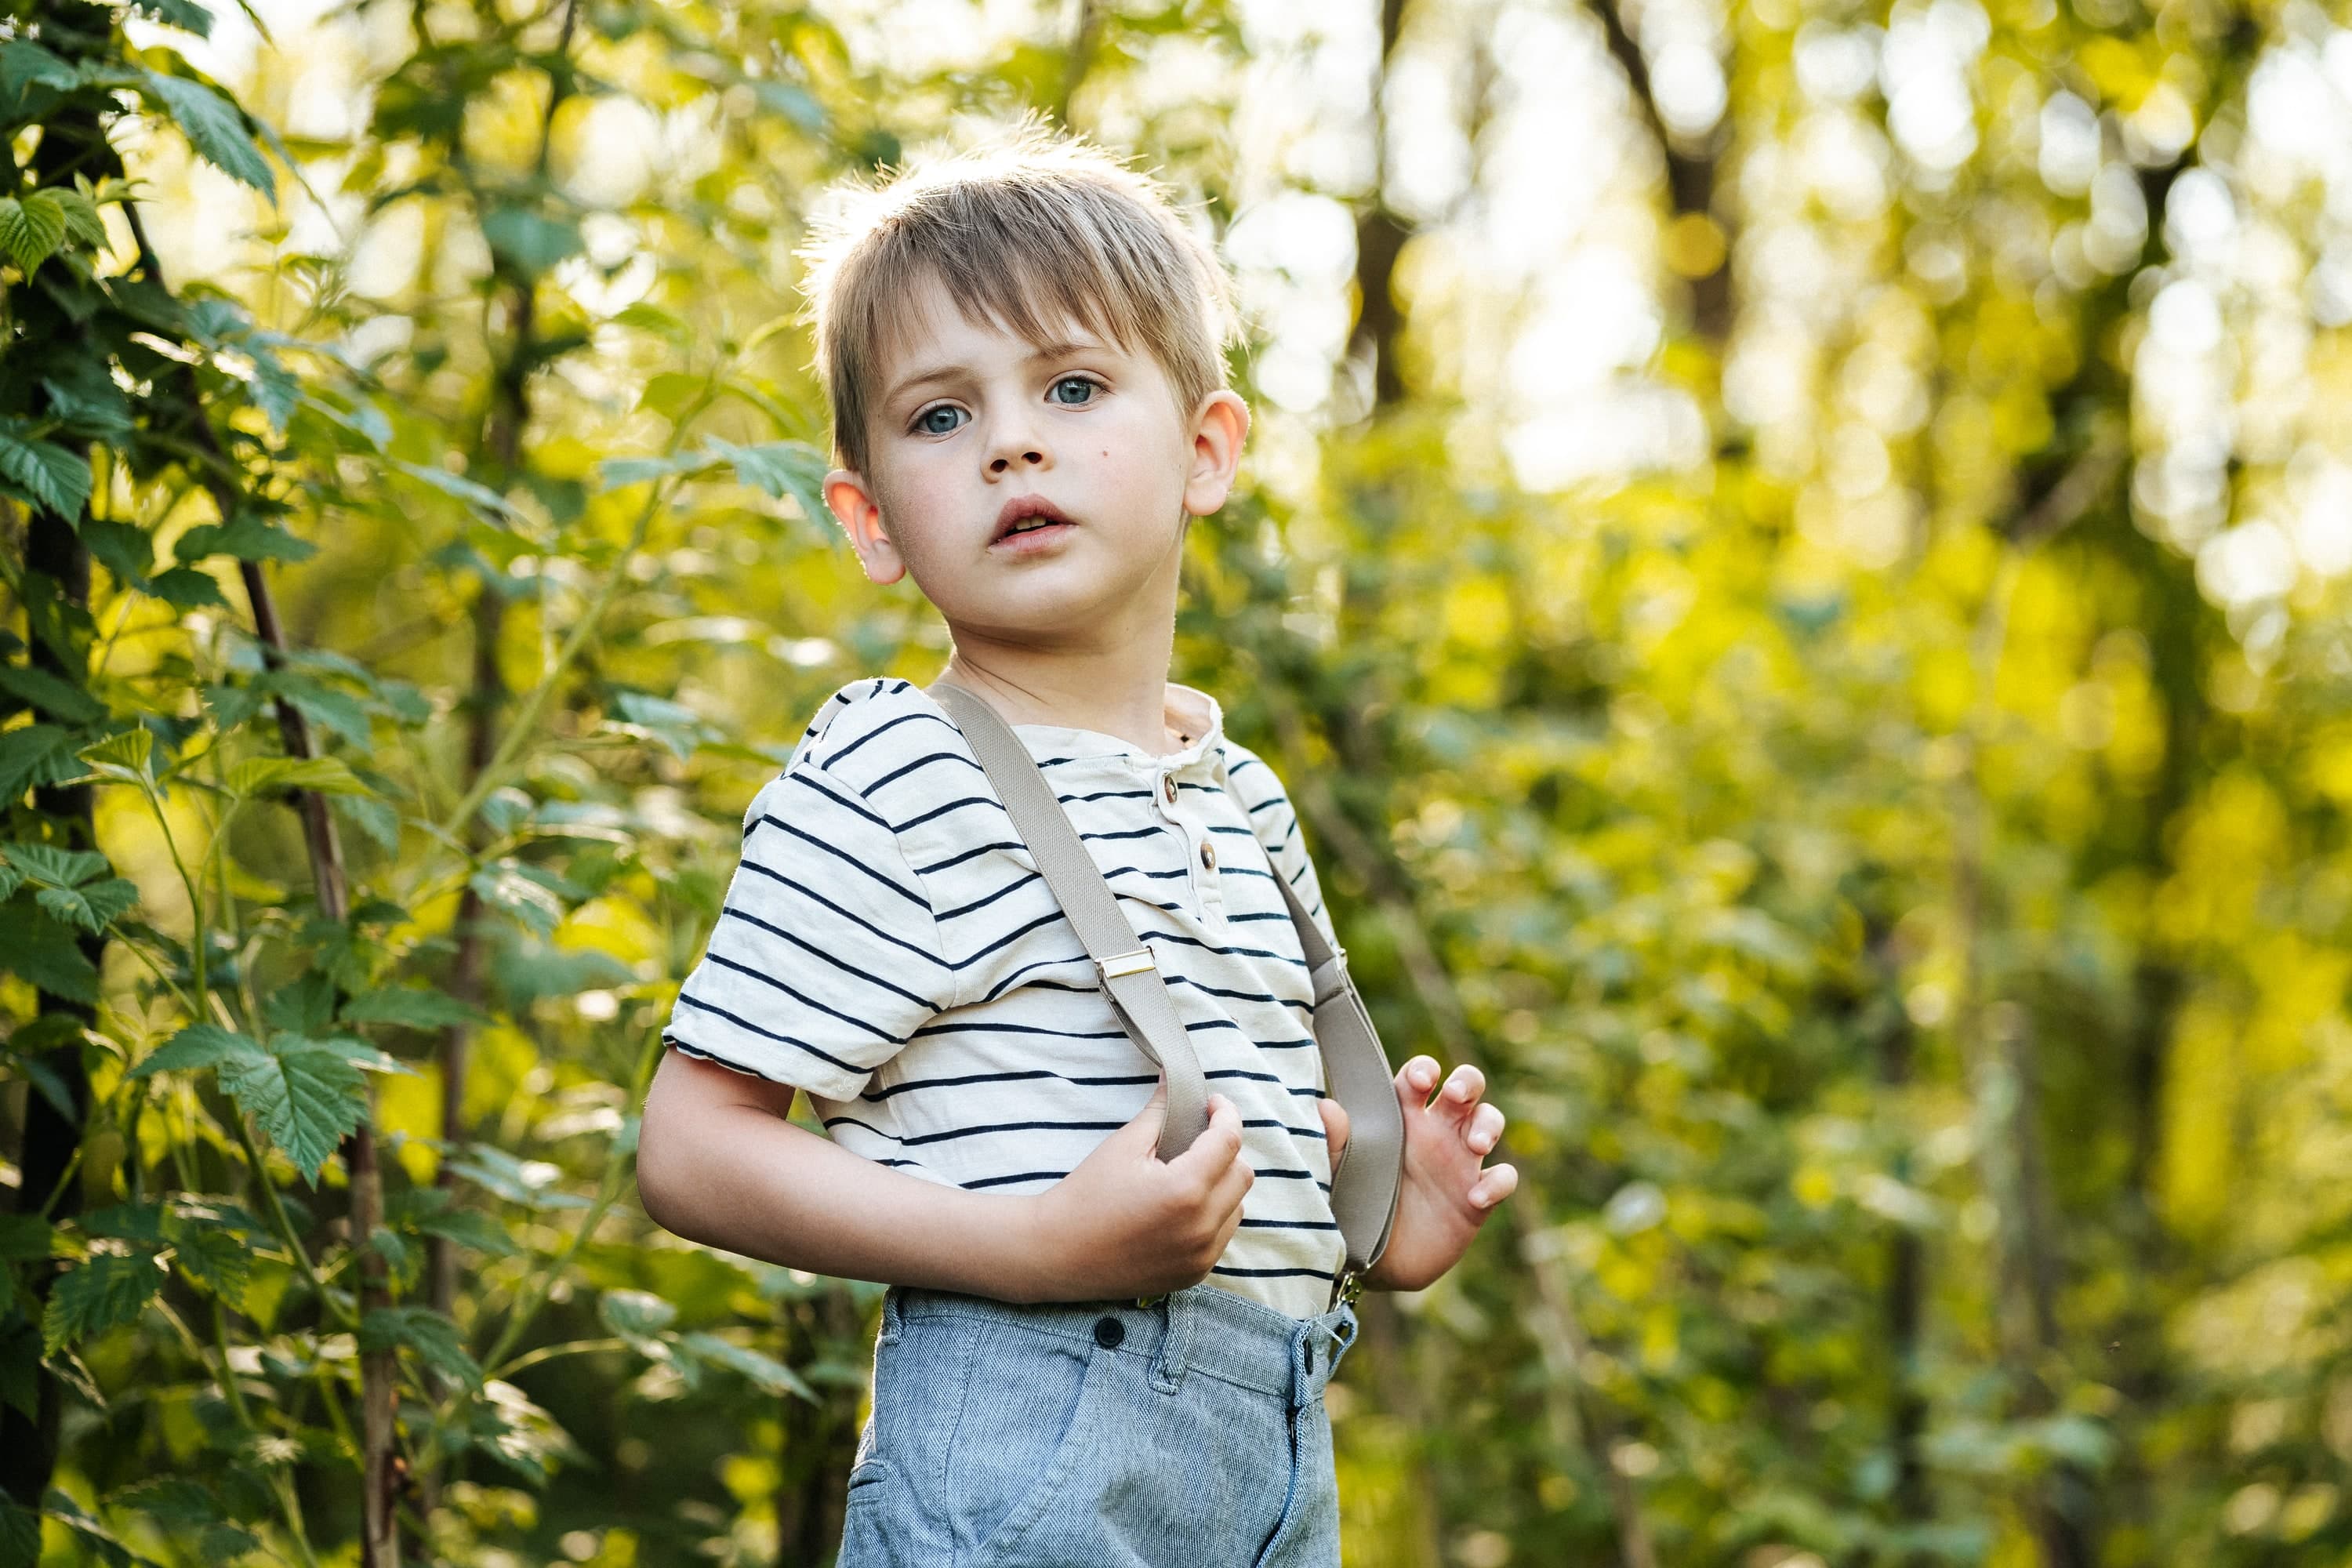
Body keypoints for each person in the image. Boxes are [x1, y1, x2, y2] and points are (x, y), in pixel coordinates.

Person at [634, 118, 1519, 1567]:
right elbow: (690, 1147)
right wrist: (1038, 1247)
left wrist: (1370, 1220)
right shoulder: (894, 764)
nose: (1012, 440)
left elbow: (1219, 1181)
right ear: (870, 523)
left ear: (1207, 450)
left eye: (1073, 384)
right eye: (940, 416)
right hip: (1017, 1458)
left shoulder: (1236, 789)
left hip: (1277, 1467)